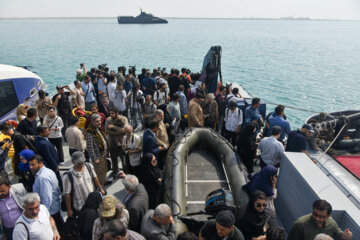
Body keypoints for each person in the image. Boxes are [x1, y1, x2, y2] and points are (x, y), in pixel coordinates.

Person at [63, 151, 105, 218]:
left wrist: (100, 188)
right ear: (73, 162)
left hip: (93, 203)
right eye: (78, 162)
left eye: (82, 161)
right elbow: (67, 194)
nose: (81, 163)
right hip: (80, 207)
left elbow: (95, 177)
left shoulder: (89, 166)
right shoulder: (68, 176)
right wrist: (69, 210)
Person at [29, 154, 63, 232]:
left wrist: (43, 213)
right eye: (30, 165)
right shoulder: (48, 171)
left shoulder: (42, 177)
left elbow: (47, 198)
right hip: (54, 208)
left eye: (33, 165)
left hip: (50, 212)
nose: (31, 167)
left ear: (41, 164)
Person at [288, 200, 353, 240]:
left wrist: (345, 236)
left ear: (328, 216)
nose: (317, 218)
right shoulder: (300, 224)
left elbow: (338, 233)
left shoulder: (331, 223)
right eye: (315, 214)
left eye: (322, 217)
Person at [0, 172, 27, 240]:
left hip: (23, 226)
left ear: (9, 186)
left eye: (3, 191)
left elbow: (28, 202)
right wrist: (2, 233)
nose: (0, 193)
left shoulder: (18, 189)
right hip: (8, 231)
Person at [86, 114, 108, 185]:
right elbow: (89, 147)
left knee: (104, 170)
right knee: (99, 172)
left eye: (100, 121)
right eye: (97, 121)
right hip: (98, 157)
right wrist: (95, 158)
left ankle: (104, 181)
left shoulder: (98, 129)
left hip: (103, 155)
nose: (99, 122)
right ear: (92, 122)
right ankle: (100, 186)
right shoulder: (90, 132)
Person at [105, 107, 128, 175]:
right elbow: (107, 130)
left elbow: (125, 130)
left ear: (117, 113)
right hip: (112, 143)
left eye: (112, 113)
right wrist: (118, 132)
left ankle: (125, 172)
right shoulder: (108, 119)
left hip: (121, 143)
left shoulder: (123, 119)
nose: (111, 115)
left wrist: (114, 127)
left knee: (124, 160)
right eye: (110, 113)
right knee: (113, 160)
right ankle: (115, 172)